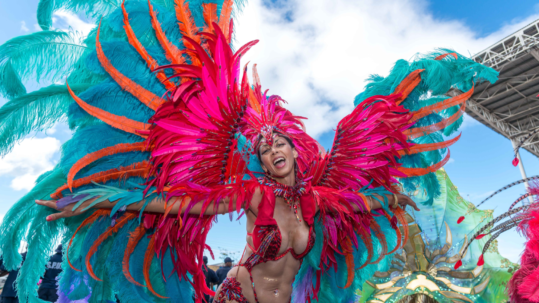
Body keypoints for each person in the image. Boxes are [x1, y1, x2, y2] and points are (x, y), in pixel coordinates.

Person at [0, 0, 497, 302]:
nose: (272, 148)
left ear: (295, 151)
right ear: (260, 163)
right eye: (263, 148)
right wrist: (108, 199)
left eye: (278, 141)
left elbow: (362, 201)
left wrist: (394, 200)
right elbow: (177, 204)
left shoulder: (318, 202)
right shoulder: (253, 196)